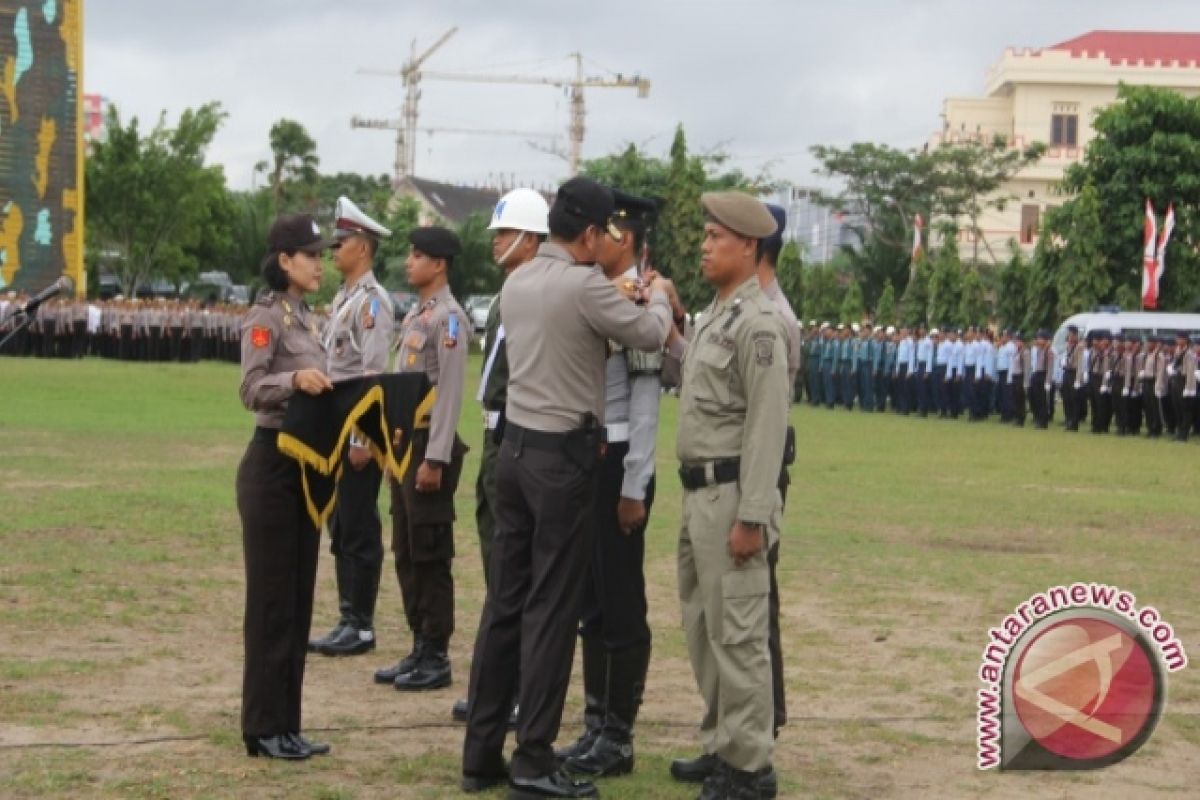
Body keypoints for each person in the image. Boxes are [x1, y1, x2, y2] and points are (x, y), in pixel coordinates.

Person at [460, 177, 674, 799]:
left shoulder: (518, 279)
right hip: (562, 460)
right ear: (587, 234)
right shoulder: (584, 286)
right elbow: (650, 334)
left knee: (505, 603)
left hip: (516, 454)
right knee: (553, 609)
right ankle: (533, 760)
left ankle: (480, 755)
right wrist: (657, 294)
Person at [662, 191, 788, 800]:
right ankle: (720, 743)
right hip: (698, 496)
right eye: (705, 236)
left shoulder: (759, 324)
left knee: (739, 636)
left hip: (732, 496)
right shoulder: (715, 316)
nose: (704, 246)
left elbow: (767, 428)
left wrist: (753, 516)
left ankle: (750, 766)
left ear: (748, 246)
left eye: (716, 237)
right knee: (703, 629)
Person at [558, 190, 664, 780]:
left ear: (622, 238)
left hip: (621, 460)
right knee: (591, 602)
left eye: (603, 231)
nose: (593, 239)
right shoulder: (601, 294)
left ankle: (618, 737)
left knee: (620, 602)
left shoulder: (640, 300)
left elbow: (645, 402)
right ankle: (596, 723)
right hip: (593, 454)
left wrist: (634, 483)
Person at [236, 213, 335, 760]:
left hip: (304, 467)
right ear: (284, 261)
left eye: (321, 254)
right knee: (272, 603)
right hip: (270, 466)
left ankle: (287, 724)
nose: (320, 263)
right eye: (311, 254)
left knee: (297, 602)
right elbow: (251, 388)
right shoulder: (265, 318)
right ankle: (263, 727)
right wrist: (294, 379)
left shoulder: (308, 319)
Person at [452, 187, 549, 725]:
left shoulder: (536, 297)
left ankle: (514, 692)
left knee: (516, 574)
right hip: (493, 437)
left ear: (532, 240)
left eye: (506, 235)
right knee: (495, 564)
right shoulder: (506, 295)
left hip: (518, 435)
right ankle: (496, 686)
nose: (497, 244)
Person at [374, 225, 471, 693]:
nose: (409, 261)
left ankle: (436, 651)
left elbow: (449, 393)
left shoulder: (448, 319)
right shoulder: (417, 315)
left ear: (439, 264)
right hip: (402, 445)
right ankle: (418, 643)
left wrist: (434, 457)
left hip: (427, 446)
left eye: (417, 255)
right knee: (407, 548)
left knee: (431, 550)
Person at [310, 197, 396, 658]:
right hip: (336, 428)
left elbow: (374, 375)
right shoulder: (345, 299)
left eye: (340, 243)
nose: (332, 251)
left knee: (360, 525)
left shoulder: (372, 303)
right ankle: (348, 615)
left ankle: (360, 624)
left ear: (361, 247)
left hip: (359, 431)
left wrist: (365, 437)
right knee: (341, 523)